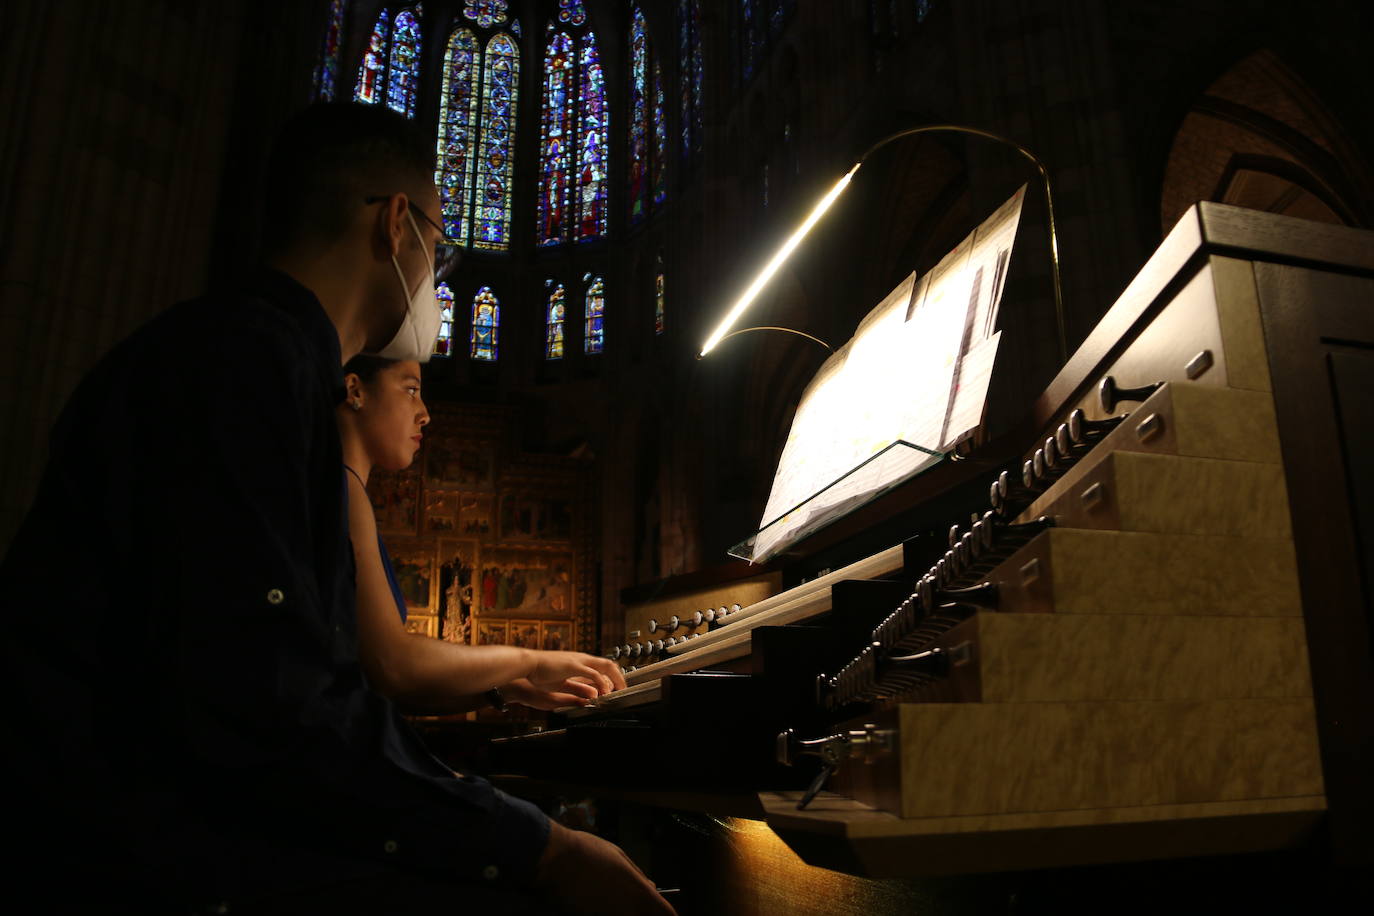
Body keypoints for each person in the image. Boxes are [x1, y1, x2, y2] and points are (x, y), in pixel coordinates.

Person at [0, 102, 671, 915]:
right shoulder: (248, 367)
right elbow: (271, 708)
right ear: (397, 227)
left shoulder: (234, 351)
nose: (433, 277)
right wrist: (537, 845)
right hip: (126, 849)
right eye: (438, 245)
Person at [335, 353, 627, 712]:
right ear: (355, 390)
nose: (424, 413)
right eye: (411, 389)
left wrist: (506, 690)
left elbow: (383, 686)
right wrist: (532, 662)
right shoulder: (341, 490)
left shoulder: (348, 491)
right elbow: (393, 665)